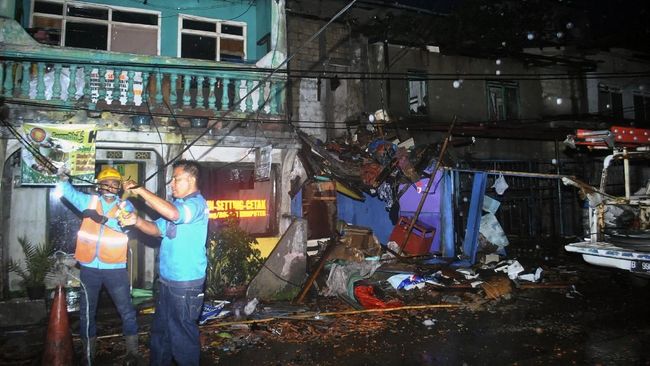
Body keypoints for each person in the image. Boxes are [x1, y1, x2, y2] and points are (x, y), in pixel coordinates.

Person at [120, 160, 208, 365]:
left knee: (183, 339)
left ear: (191, 179)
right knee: (161, 334)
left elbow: (173, 215)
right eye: (172, 180)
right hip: (168, 282)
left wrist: (139, 190)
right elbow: (157, 229)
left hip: (185, 284)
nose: (172, 184)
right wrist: (136, 221)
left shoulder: (196, 204)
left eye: (176, 179)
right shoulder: (177, 205)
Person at [55, 166, 139, 365]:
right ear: (99, 186)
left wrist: (102, 219)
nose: (110, 187)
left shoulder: (125, 206)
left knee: (126, 311)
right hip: (89, 268)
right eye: (106, 183)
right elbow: (68, 192)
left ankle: (133, 353)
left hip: (115, 269)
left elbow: (124, 224)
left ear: (119, 188)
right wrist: (62, 177)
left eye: (114, 184)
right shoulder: (89, 201)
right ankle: (88, 355)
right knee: (86, 312)